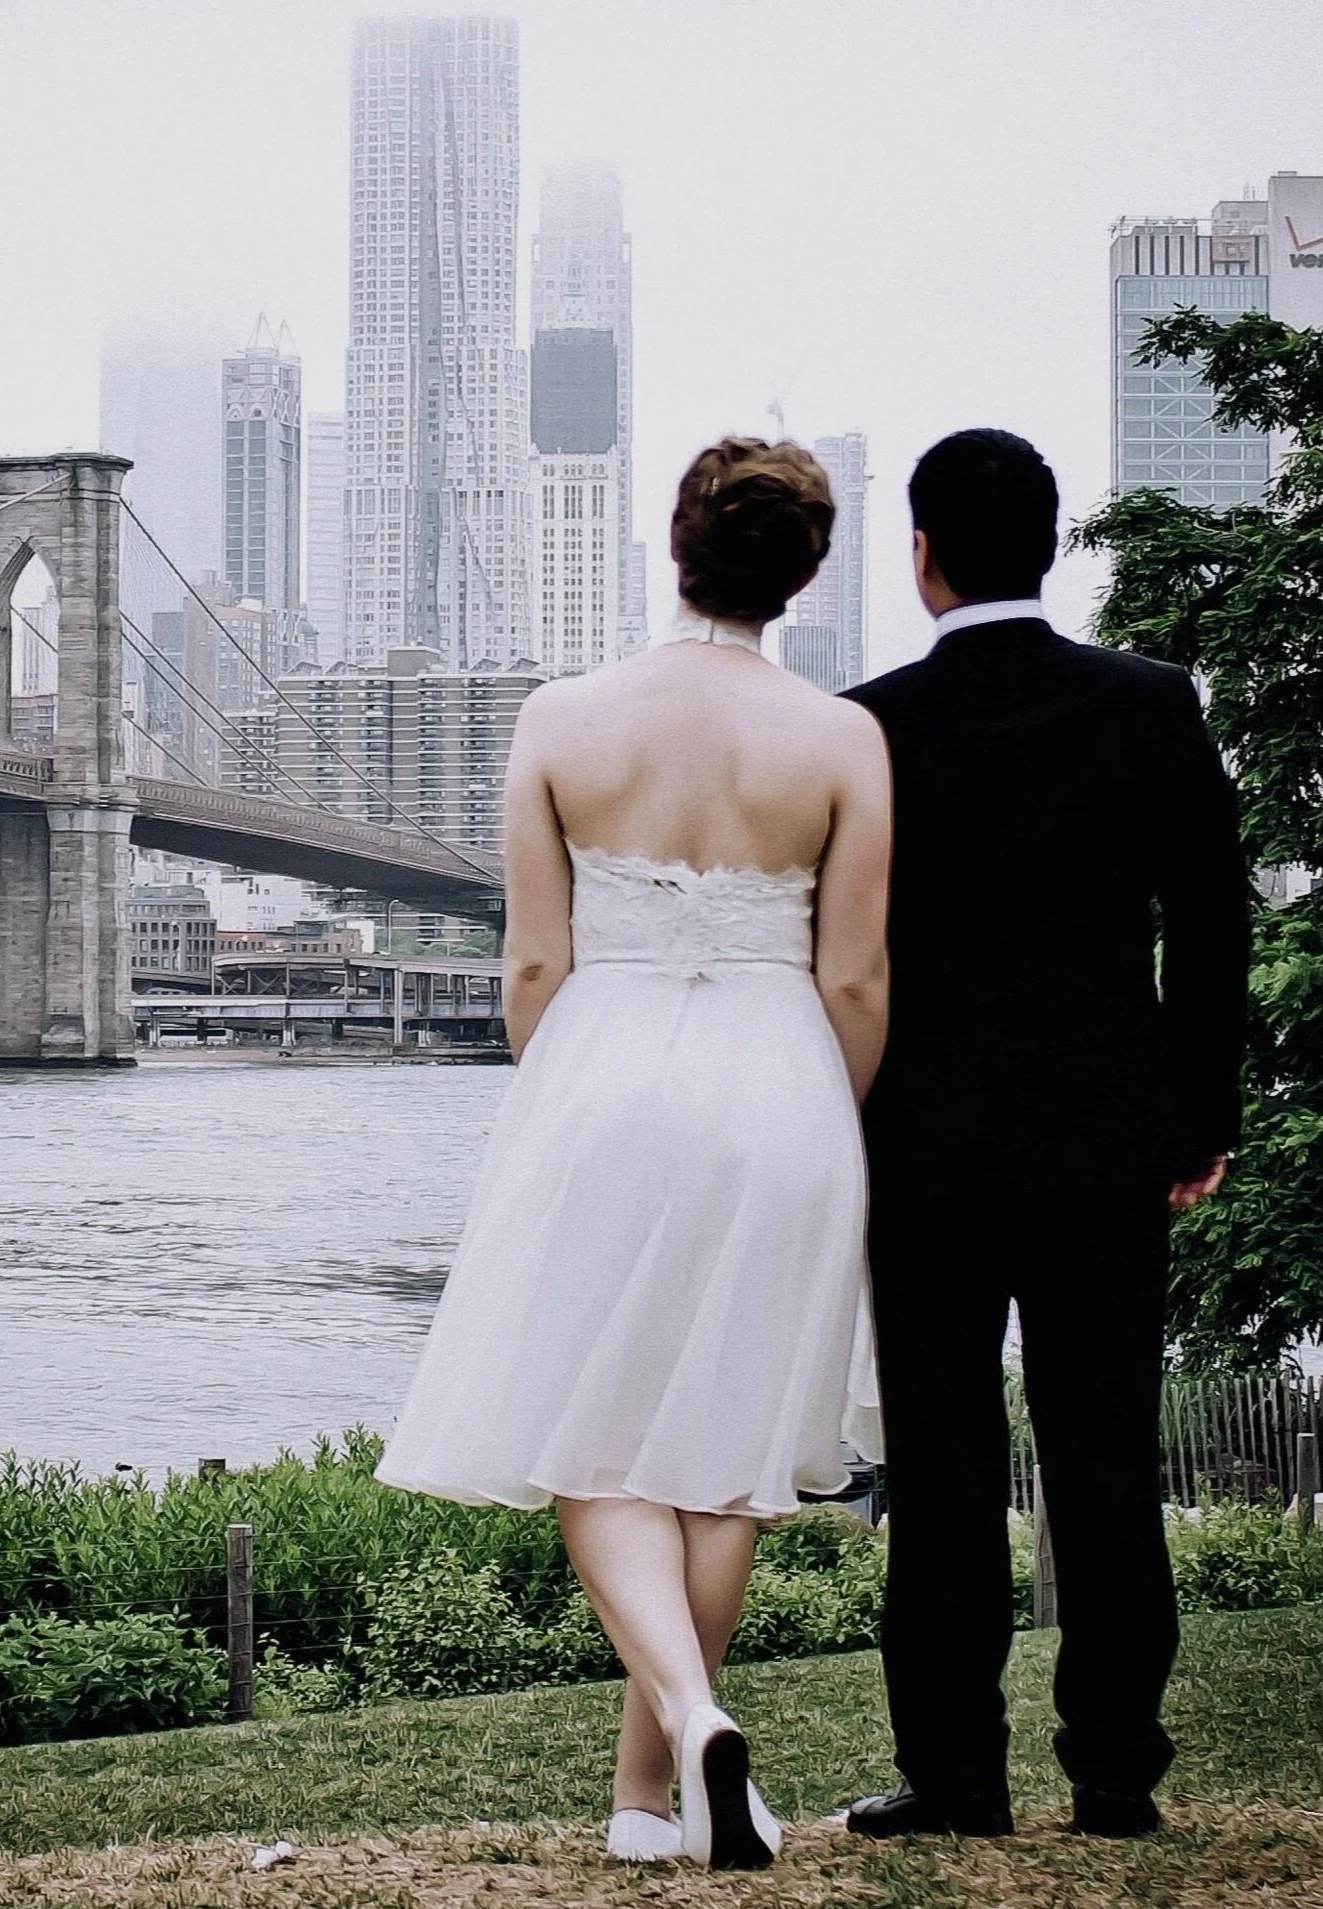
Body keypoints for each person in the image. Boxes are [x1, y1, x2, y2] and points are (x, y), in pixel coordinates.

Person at [377, 437, 891, 1870]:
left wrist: (579, 1093)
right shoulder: (844, 740)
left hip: (603, 1086)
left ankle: (682, 1725)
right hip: (784, 1093)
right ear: (802, 574)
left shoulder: (562, 718)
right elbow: (857, 983)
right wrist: (815, 1108)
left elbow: (533, 966)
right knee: (723, 1457)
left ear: (676, 545)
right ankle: (648, 1800)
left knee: (594, 1440)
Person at [842, 429, 1250, 1840]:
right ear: (1055, 543)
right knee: (1105, 1458)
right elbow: (1210, 921)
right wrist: (1202, 1119)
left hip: (929, 1152)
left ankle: (956, 1777)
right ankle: (1116, 1776)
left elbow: (848, 956)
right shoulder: (1149, 704)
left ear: (923, 555)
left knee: (945, 1464)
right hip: (1103, 1146)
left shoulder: (870, 722)